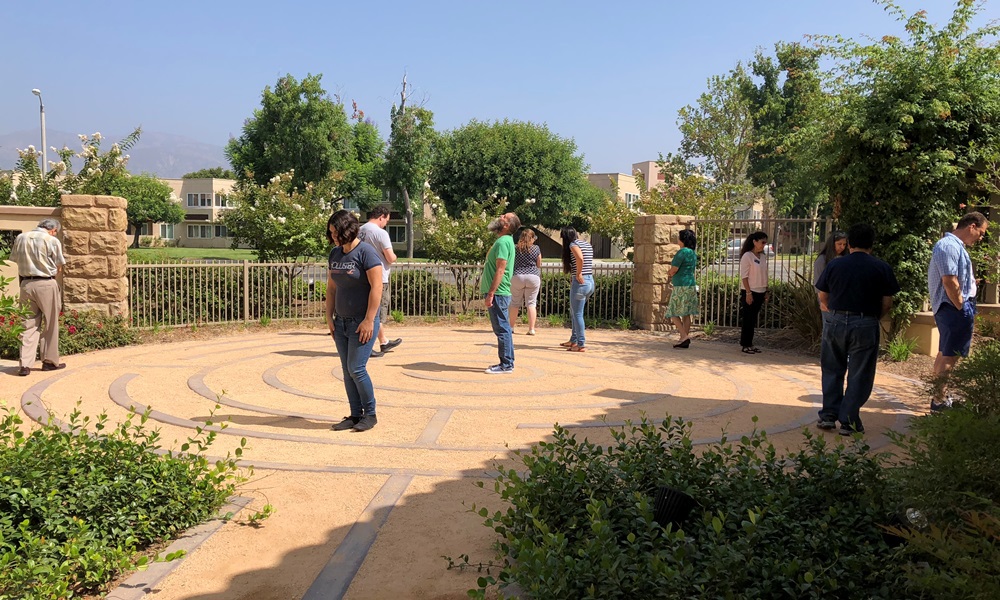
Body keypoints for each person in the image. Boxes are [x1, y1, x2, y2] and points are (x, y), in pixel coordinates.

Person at [815, 223, 900, 435]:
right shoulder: (881, 267)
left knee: (832, 369)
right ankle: (849, 421)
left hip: (835, 321)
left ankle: (828, 416)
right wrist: (873, 318)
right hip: (865, 322)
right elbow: (887, 303)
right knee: (860, 373)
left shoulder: (835, 265)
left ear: (850, 243)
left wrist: (833, 312)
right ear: (871, 244)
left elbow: (823, 295)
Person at [325, 210, 384, 432]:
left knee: (356, 368)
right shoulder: (335, 254)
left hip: (362, 322)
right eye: (331, 233)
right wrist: (329, 317)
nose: (333, 237)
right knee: (347, 370)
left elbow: (377, 287)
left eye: (336, 232)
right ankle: (354, 414)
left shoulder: (366, 252)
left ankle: (370, 415)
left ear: (348, 230)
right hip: (340, 322)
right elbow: (332, 288)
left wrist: (369, 319)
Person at [927, 211, 989, 411]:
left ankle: (940, 397)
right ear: (972, 226)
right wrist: (961, 305)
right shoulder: (949, 246)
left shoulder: (954, 246)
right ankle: (939, 402)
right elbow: (949, 281)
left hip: (952, 307)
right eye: (981, 233)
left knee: (945, 353)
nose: (981, 238)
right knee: (950, 356)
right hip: (953, 308)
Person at [11, 218, 67, 376]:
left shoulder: (21, 238)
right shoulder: (52, 240)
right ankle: (49, 361)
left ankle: (25, 365)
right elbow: (59, 265)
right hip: (46, 283)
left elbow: (15, 260)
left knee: (27, 324)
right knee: (50, 323)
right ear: (53, 230)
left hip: (26, 283)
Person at [357, 206, 402, 357]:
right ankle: (368, 348)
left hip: (362, 276)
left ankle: (383, 341)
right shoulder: (380, 233)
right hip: (379, 277)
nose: (386, 224)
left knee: (367, 312)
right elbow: (390, 257)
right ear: (381, 217)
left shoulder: (360, 230)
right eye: (386, 221)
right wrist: (395, 257)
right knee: (377, 314)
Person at [481, 212, 520, 374]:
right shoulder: (505, 240)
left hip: (498, 292)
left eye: (504, 216)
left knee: (502, 328)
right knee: (504, 327)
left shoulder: (503, 242)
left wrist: (491, 293)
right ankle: (508, 362)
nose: (501, 216)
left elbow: (501, 269)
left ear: (506, 225)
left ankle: (506, 364)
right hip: (500, 292)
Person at [560, 227, 594, 352]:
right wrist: (575, 274)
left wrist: (578, 274)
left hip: (580, 284)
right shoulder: (586, 244)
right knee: (575, 312)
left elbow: (580, 258)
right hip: (590, 282)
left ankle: (581, 344)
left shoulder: (573, 245)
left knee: (577, 314)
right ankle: (573, 340)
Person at [665, 229, 699, 348]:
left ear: (683, 239)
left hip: (680, 285)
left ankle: (684, 336)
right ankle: (683, 338)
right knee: (686, 313)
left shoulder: (682, 252)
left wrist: (669, 273)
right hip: (690, 284)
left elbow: (674, 269)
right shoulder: (692, 253)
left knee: (673, 312)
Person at [738, 231, 770, 354]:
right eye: (762, 242)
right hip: (751, 291)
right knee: (748, 318)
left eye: (765, 243)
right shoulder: (747, 256)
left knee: (753, 319)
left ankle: (750, 343)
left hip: (761, 290)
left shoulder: (763, 257)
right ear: (754, 242)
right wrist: (748, 293)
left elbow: (765, 274)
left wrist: (766, 290)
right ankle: (745, 344)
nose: (764, 245)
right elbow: (744, 276)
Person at [510, 228, 542, 335]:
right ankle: (531, 329)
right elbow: (539, 263)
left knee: (514, 303)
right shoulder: (536, 248)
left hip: (518, 276)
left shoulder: (516, 248)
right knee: (531, 303)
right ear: (531, 238)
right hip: (533, 276)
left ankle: (511, 327)